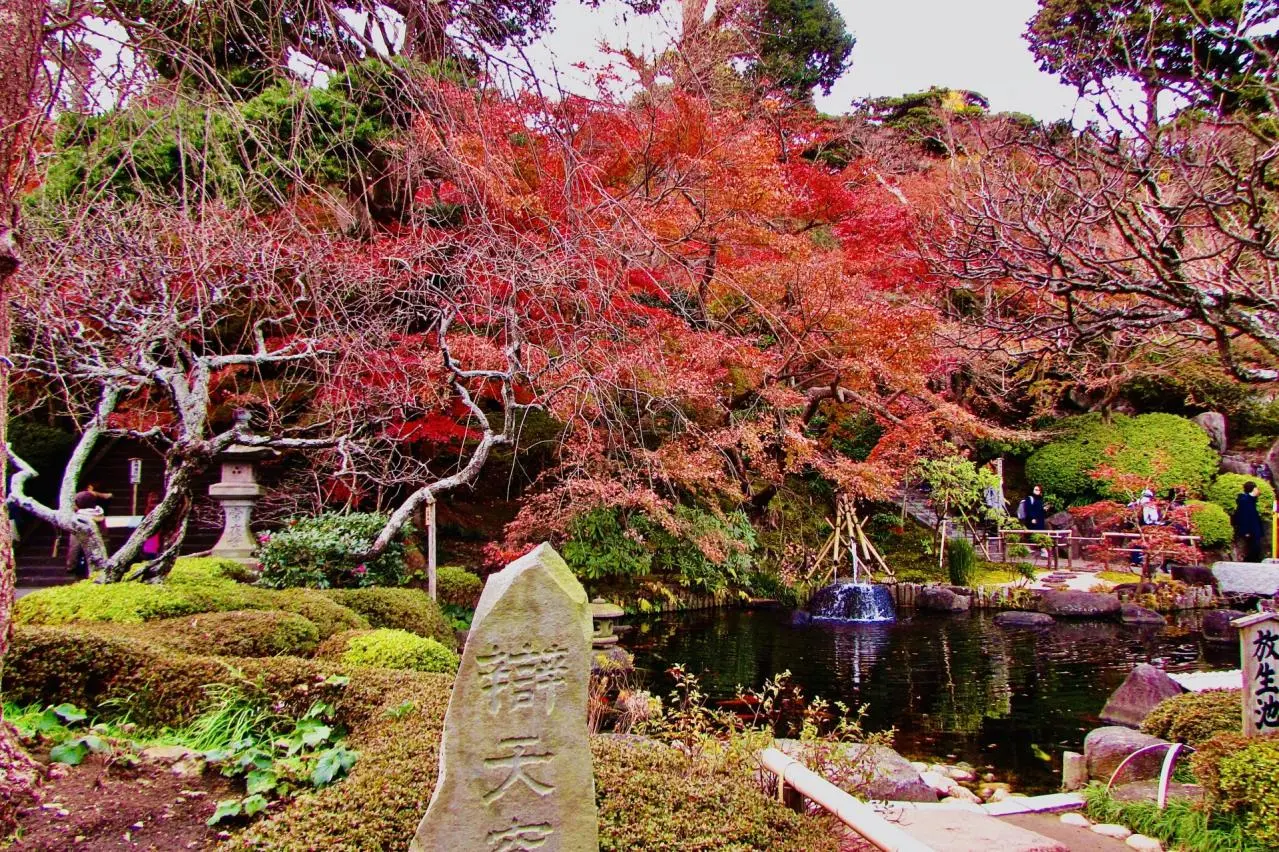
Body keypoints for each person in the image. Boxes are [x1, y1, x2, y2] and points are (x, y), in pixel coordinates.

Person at [65, 481, 113, 578]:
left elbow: (74, 547)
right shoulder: (99, 515)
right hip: (99, 558)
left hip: (83, 556)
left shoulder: (79, 519)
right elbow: (105, 539)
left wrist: (70, 566)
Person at [1233, 480, 1265, 563]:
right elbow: (1244, 516)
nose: (1258, 490)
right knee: (1253, 548)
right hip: (1250, 529)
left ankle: (1252, 561)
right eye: (1257, 488)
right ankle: (1249, 562)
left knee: (1256, 547)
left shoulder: (1251, 500)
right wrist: (1246, 530)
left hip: (1254, 528)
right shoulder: (1245, 501)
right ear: (1254, 489)